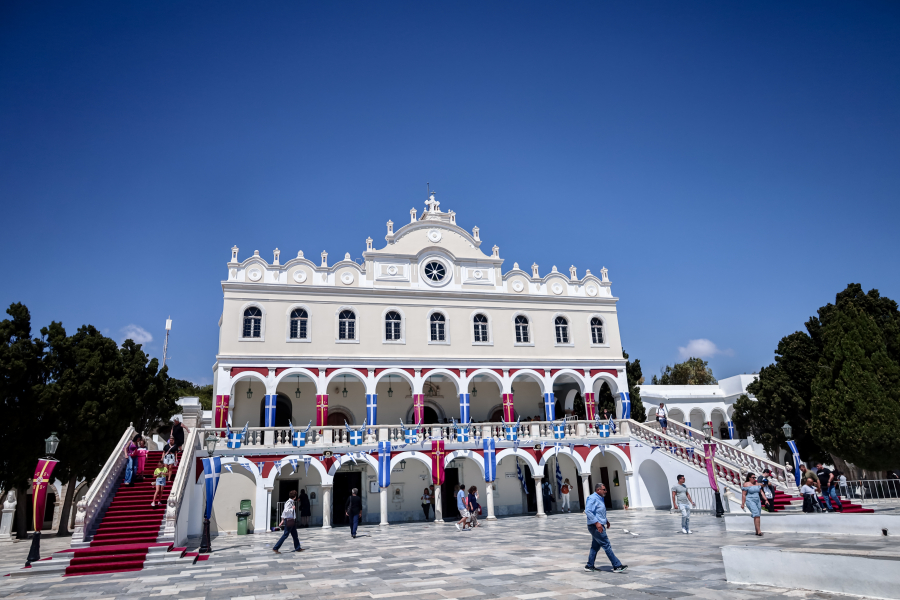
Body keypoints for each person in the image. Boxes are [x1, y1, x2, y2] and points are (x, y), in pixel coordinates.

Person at [584, 483, 627, 573]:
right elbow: (587, 511)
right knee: (606, 545)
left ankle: (589, 566)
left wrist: (606, 521)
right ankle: (617, 565)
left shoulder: (600, 498)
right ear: (598, 490)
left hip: (598, 524)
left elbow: (599, 512)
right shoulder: (592, 498)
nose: (606, 491)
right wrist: (597, 523)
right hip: (594, 526)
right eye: (604, 489)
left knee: (595, 546)